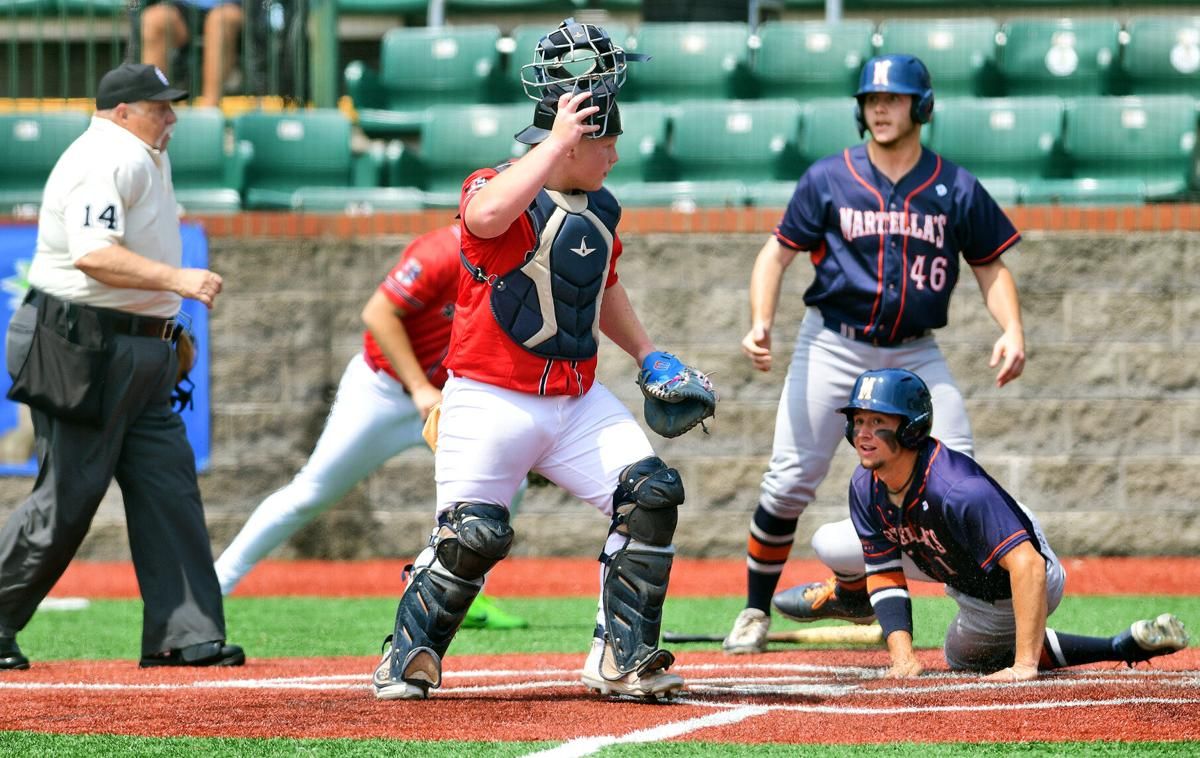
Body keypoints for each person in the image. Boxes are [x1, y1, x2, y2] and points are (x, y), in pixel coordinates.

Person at [371, 18, 708, 702]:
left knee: (651, 493)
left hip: (576, 400)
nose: (614, 155)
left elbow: (601, 286)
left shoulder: (602, 207)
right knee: (473, 536)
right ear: (571, 141)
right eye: (605, 142)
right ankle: (406, 651)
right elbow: (484, 220)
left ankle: (620, 655)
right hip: (490, 397)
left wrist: (646, 354)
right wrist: (555, 145)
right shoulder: (497, 187)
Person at [723, 53, 1027, 654]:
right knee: (787, 481)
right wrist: (760, 321)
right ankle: (756, 611)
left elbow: (991, 265)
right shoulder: (829, 177)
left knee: (958, 470)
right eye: (871, 100)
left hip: (914, 353)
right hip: (833, 342)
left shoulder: (955, 185)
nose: (881, 108)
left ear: (923, 106)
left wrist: (1012, 328)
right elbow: (775, 253)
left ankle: (887, 591)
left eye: (893, 98)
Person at [0, 63, 242, 671]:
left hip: (136, 348)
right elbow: (92, 255)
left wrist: (167, 327)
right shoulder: (106, 156)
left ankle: (184, 634)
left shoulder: (142, 152)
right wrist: (177, 281)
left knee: (168, 487)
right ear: (120, 109)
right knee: (68, 498)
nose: (173, 116)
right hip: (81, 342)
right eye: (159, 106)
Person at [774, 368, 1190, 680]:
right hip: (953, 549)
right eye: (859, 421)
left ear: (913, 428)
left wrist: (1024, 664)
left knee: (962, 656)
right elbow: (883, 571)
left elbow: (1028, 567)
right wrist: (903, 657)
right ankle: (850, 598)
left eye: (879, 422)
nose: (865, 433)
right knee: (830, 541)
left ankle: (1117, 645)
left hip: (1012, 577)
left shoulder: (958, 489)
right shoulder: (866, 481)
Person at [213, 223, 526, 630]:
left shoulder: (520, 258)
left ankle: (458, 593)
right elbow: (377, 313)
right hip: (384, 391)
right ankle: (213, 587)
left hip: (451, 397)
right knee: (311, 492)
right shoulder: (441, 251)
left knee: (505, 486)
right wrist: (418, 388)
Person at [140, 0, 244, 108]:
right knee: (154, 19)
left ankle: (209, 110)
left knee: (220, 19)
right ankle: (152, 108)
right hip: (183, 7)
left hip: (231, 6)